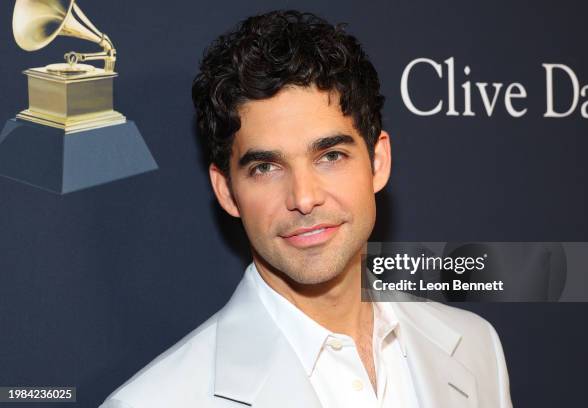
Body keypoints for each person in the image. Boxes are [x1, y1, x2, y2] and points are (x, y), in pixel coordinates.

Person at [100, 10, 512, 408]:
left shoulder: (476, 348)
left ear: (378, 162)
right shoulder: (152, 402)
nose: (303, 197)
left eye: (330, 156)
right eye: (265, 167)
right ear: (227, 191)